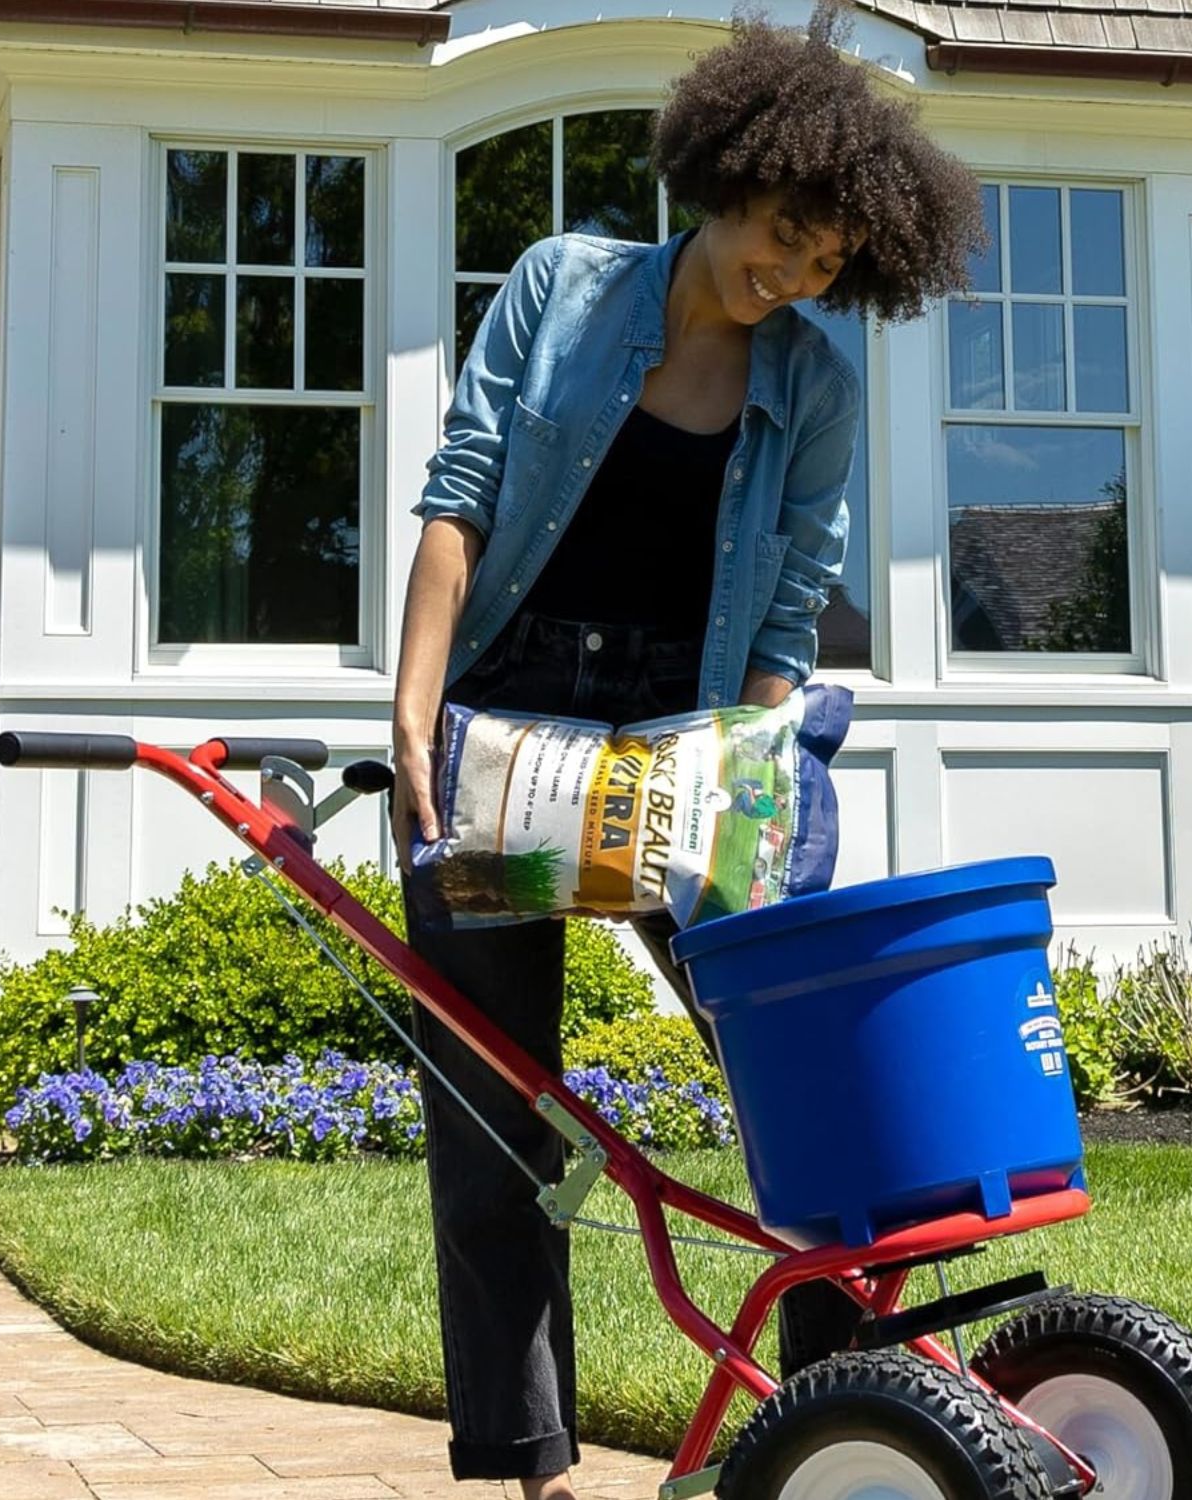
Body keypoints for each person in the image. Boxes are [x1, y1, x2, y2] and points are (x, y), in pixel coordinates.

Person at [388, 5, 982, 1494]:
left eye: (830, 262)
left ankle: (854, 1430)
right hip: (504, 727)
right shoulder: (561, 288)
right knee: (495, 1112)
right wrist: (410, 708)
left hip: (686, 740)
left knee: (800, 1072)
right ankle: (533, 1465)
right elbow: (460, 495)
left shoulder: (817, 392)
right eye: (782, 232)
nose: (792, 274)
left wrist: (759, 767)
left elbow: (788, 609)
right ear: (724, 176)